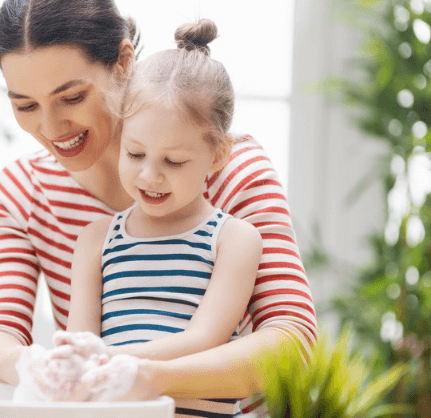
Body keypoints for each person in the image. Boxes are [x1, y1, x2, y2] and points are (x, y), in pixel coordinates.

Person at [0, 0, 317, 414]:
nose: (50, 127)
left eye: (73, 97)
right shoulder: (24, 192)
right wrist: (26, 364)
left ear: (123, 62)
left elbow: (292, 343)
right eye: (26, 105)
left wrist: (148, 377)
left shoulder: (232, 170)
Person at [64, 18, 262, 417]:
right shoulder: (96, 240)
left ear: (219, 155)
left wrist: (117, 362)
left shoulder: (234, 239)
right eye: (135, 153)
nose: (149, 175)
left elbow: (204, 338)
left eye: (173, 161)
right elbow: (79, 343)